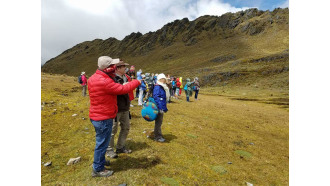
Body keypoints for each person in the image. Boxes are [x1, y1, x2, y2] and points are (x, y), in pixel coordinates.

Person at [88, 56, 141, 177]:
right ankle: (98, 169)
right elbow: (122, 89)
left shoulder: (94, 78)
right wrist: (137, 82)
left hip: (98, 115)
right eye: (112, 66)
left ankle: (99, 162)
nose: (114, 68)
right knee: (102, 144)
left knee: (101, 142)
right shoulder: (105, 81)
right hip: (103, 117)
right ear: (107, 68)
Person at [106, 60, 135, 159]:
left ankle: (120, 147)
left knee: (126, 127)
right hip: (116, 108)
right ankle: (109, 150)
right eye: (123, 67)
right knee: (112, 130)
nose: (125, 68)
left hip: (125, 107)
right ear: (117, 68)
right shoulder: (112, 79)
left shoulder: (126, 77)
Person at [153, 73, 170, 142]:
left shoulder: (162, 86)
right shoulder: (158, 87)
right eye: (164, 79)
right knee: (158, 122)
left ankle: (158, 135)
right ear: (161, 79)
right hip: (159, 107)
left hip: (161, 106)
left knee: (159, 122)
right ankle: (158, 136)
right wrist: (160, 108)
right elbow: (156, 97)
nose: (165, 80)